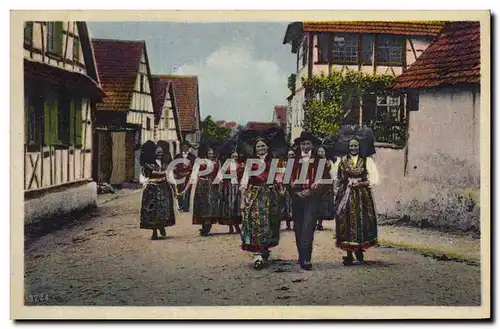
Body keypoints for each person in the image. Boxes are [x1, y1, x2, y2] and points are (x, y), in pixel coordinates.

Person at [333, 137, 380, 266]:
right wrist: (340, 192)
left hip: (362, 196)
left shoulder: (366, 161)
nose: (353, 148)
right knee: (346, 221)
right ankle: (348, 253)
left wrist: (361, 183)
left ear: (360, 147)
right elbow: (339, 178)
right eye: (351, 146)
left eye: (356, 146)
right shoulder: (342, 161)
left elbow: (372, 179)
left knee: (362, 220)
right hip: (347, 195)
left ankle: (359, 249)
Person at [289, 131, 331, 270]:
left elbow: (325, 180)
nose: (305, 146)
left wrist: (312, 190)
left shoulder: (319, 161)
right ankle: (301, 255)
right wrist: (295, 191)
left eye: (308, 143)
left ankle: (307, 258)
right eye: (303, 144)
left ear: (312, 145)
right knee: (299, 227)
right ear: (299, 145)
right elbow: (286, 180)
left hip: (312, 198)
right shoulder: (293, 160)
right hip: (297, 198)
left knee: (308, 227)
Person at [239, 137, 282, 270]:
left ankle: (265, 249)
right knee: (256, 223)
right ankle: (257, 255)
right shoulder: (250, 163)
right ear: (255, 149)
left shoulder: (274, 162)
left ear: (267, 147)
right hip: (255, 196)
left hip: (270, 196)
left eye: (263, 146)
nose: (261, 148)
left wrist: (280, 189)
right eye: (258, 146)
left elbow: (279, 178)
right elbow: (245, 182)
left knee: (269, 223)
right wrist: (242, 200)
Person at [181, 144, 221, 236]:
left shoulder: (216, 162)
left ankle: (208, 225)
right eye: (209, 153)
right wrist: (185, 190)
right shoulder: (199, 162)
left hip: (212, 185)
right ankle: (205, 226)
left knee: (211, 205)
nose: (211, 155)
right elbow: (193, 176)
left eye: (212, 153)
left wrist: (219, 187)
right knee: (202, 206)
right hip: (202, 186)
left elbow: (218, 176)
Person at [139, 141, 175, 240]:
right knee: (152, 211)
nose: (160, 154)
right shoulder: (147, 165)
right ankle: (154, 231)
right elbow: (143, 178)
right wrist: (148, 183)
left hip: (164, 188)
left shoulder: (165, 164)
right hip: (152, 189)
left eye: (161, 153)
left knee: (163, 210)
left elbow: (170, 177)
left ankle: (161, 226)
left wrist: (175, 190)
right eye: (158, 153)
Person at [218, 149, 244, 234]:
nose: (235, 158)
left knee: (237, 207)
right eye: (233, 156)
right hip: (228, 187)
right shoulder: (226, 165)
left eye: (236, 156)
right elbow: (220, 176)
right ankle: (230, 226)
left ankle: (236, 224)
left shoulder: (240, 165)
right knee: (229, 206)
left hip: (237, 186)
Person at [315, 145, 337, 231]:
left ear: (325, 153)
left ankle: (320, 223)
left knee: (324, 205)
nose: (320, 153)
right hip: (317, 185)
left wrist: (334, 187)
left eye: (322, 152)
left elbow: (333, 175)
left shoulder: (329, 162)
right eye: (319, 151)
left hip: (326, 186)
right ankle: (315, 222)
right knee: (316, 204)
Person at [173, 141, 196, 212]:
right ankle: (180, 205)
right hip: (179, 176)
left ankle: (186, 207)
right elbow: (174, 167)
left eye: (186, 147)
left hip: (188, 176)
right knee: (179, 190)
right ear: (181, 147)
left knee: (187, 191)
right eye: (184, 147)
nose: (185, 148)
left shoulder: (192, 157)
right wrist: (176, 174)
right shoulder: (177, 157)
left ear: (188, 148)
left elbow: (194, 167)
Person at [280, 148, 295, 231]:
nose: (291, 156)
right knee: (287, 205)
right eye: (290, 155)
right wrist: (282, 188)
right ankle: (288, 224)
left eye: (292, 155)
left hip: (296, 189)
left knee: (295, 206)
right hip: (287, 188)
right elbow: (281, 178)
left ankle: (295, 224)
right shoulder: (284, 166)